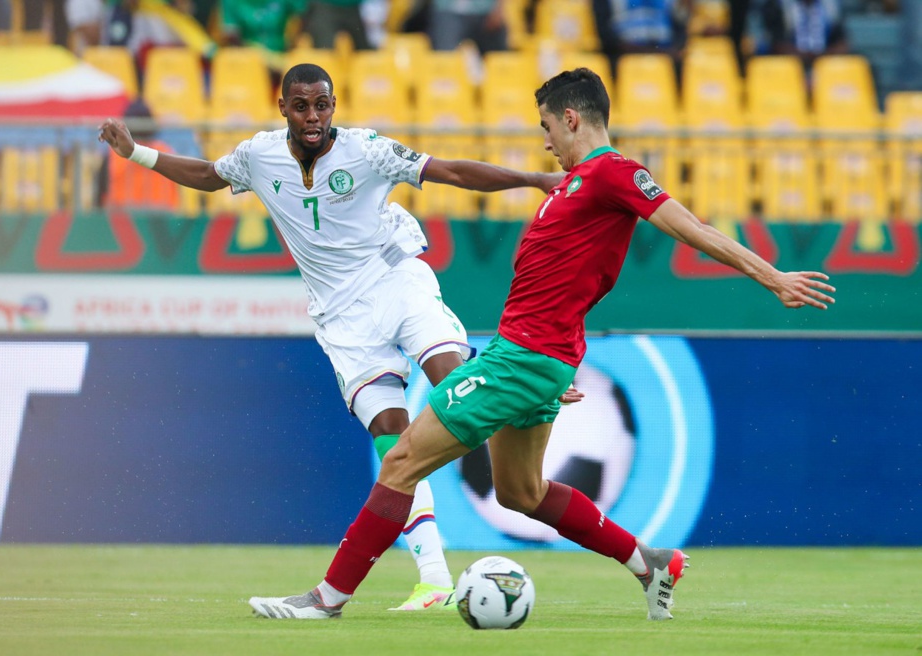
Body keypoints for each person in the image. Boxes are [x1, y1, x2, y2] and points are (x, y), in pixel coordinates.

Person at [248, 67, 837, 622]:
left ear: (572, 119)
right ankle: (652, 564)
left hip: (525, 358)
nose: (547, 141)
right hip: (535, 358)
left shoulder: (612, 173)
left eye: (548, 127)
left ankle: (326, 599)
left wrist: (773, 277)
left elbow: (695, 230)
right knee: (521, 491)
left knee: (400, 460)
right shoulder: (577, 183)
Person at [98, 62, 565, 611]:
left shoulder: (368, 151)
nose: (313, 116)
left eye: (322, 105)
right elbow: (206, 174)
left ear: (334, 105)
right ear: (283, 108)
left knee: (453, 384)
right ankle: (434, 579)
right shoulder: (258, 156)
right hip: (341, 320)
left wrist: (534, 180)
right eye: (301, 106)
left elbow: (452, 172)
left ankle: (518, 397)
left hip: (396, 280)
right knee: (395, 440)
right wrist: (136, 154)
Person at [761, 0, 848, 76]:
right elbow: (776, 44)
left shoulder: (831, 6)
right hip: (788, 69)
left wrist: (821, 57)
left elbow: (842, 44)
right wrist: (806, 57)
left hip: (826, 67)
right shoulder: (778, 5)